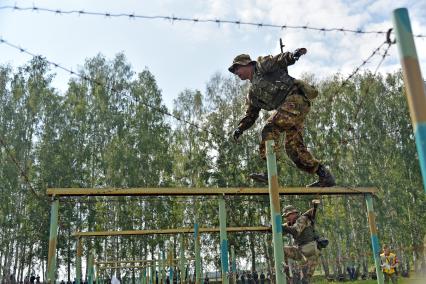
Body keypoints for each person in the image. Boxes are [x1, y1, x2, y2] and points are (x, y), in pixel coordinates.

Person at [229, 50, 335, 187]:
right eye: (234, 70)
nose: (236, 72)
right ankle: (325, 176)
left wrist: (292, 56)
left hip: (295, 100)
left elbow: (278, 60)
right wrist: (240, 128)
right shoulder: (253, 94)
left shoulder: (262, 66)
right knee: (293, 148)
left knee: (269, 128)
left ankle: (269, 172)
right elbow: (251, 114)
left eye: (237, 68)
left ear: (247, 64)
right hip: (289, 110)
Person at [281, 204, 321, 283]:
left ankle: (290, 276)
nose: (286, 219)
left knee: (306, 280)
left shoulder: (302, 219)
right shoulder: (294, 222)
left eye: (287, 216)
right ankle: (287, 275)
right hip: (302, 252)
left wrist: (283, 227)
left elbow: (296, 232)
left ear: (292, 214)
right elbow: (286, 231)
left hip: (309, 252)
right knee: (282, 250)